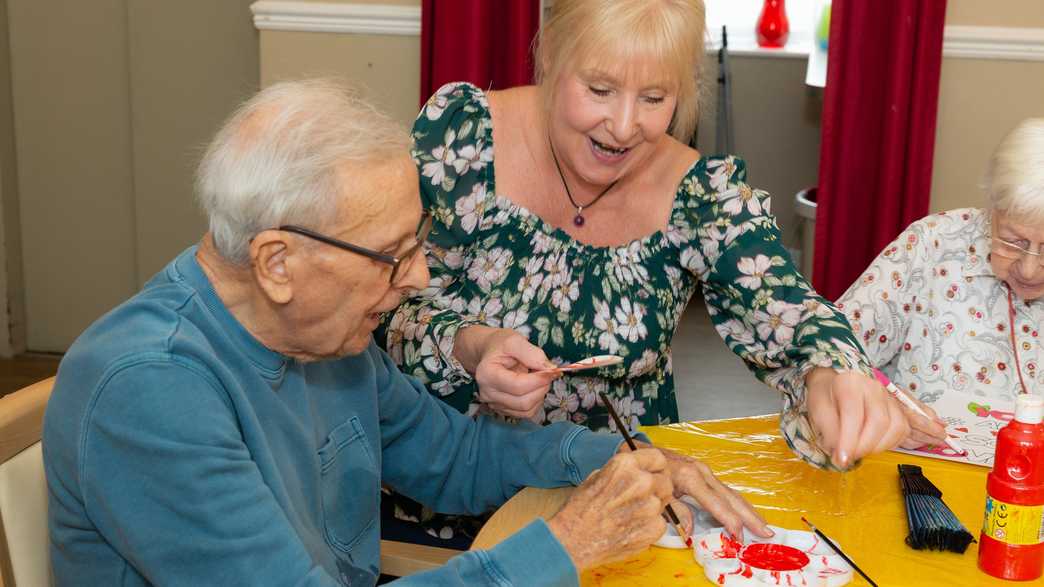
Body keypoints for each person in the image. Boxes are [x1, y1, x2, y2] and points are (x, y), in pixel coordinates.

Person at [42, 79, 770, 586]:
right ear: (278, 263)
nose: (420, 277)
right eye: (395, 254)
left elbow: (458, 455)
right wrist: (569, 543)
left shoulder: (322, 336)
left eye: (419, 241)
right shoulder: (151, 391)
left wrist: (615, 454)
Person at [381, 0, 944, 474]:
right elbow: (372, 305)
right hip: (437, 477)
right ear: (550, 55)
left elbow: (790, 310)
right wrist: (468, 345)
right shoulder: (461, 136)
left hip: (610, 493)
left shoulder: (702, 197)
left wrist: (832, 369)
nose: (625, 127)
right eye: (600, 89)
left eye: (655, 98)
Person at [837, 118, 1044, 415]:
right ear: (993, 211)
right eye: (1013, 242)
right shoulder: (933, 244)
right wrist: (885, 408)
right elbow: (831, 352)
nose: (1029, 269)